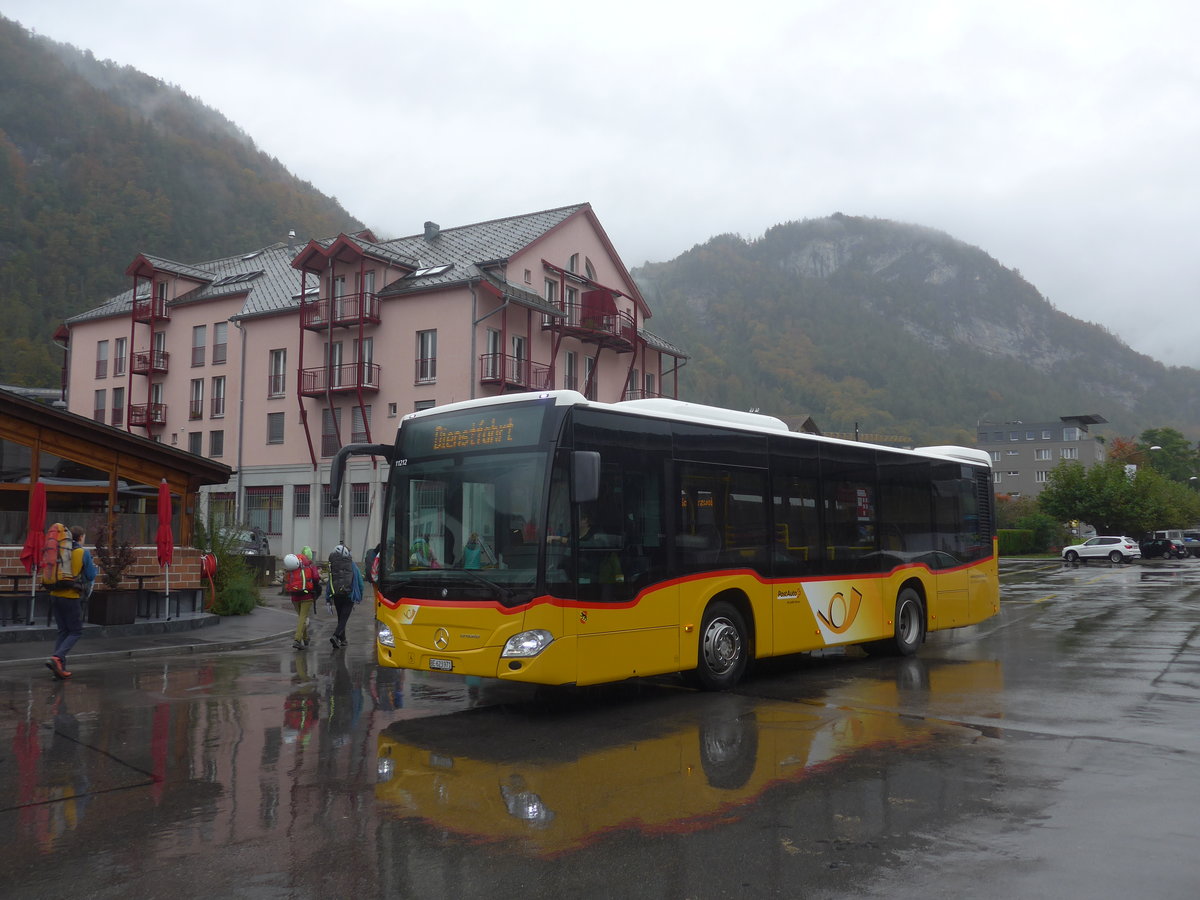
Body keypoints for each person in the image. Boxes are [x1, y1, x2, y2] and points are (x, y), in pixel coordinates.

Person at [47, 525, 97, 679]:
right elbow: (90, 575)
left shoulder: (58, 550)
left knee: (63, 631)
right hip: (71, 596)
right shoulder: (82, 552)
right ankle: (57, 657)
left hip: (54, 594)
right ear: (81, 537)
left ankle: (59, 669)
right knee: (75, 631)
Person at [324, 543, 363, 649]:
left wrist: (328, 597)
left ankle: (343, 639)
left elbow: (330, 582)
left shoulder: (333, 566)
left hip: (336, 594)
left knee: (340, 617)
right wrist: (360, 595)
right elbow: (360, 582)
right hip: (349, 595)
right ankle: (336, 635)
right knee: (344, 618)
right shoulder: (352, 565)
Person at [284, 547, 322, 650]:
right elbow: (316, 578)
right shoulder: (310, 566)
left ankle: (305, 638)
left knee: (301, 617)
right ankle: (297, 639)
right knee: (303, 618)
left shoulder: (293, 565)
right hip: (307, 596)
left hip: (295, 596)